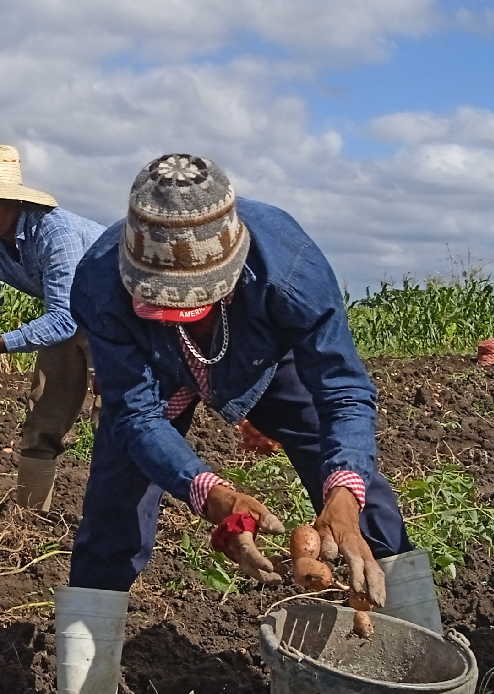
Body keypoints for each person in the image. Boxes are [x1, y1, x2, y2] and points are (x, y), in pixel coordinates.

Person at [56, 153, 438, 693]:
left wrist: (345, 492)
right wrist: (211, 494)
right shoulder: (99, 282)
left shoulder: (291, 268)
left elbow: (343, 388)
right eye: (163, 303)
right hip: (158, 373)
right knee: (113, 508)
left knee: (361, 494)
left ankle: (419, 662)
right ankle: (85, 681)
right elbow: (137, 412)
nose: (181, 313)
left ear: (231, 275)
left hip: (262, 359)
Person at [0, 145, 103, 512]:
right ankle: (29, 520)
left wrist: (3, 342)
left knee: (115, 424)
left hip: (116, 322)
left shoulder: (53, 232)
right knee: (44, 415)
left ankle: (112, 532)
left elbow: (64, 319)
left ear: (9, 202)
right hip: (68, 316)